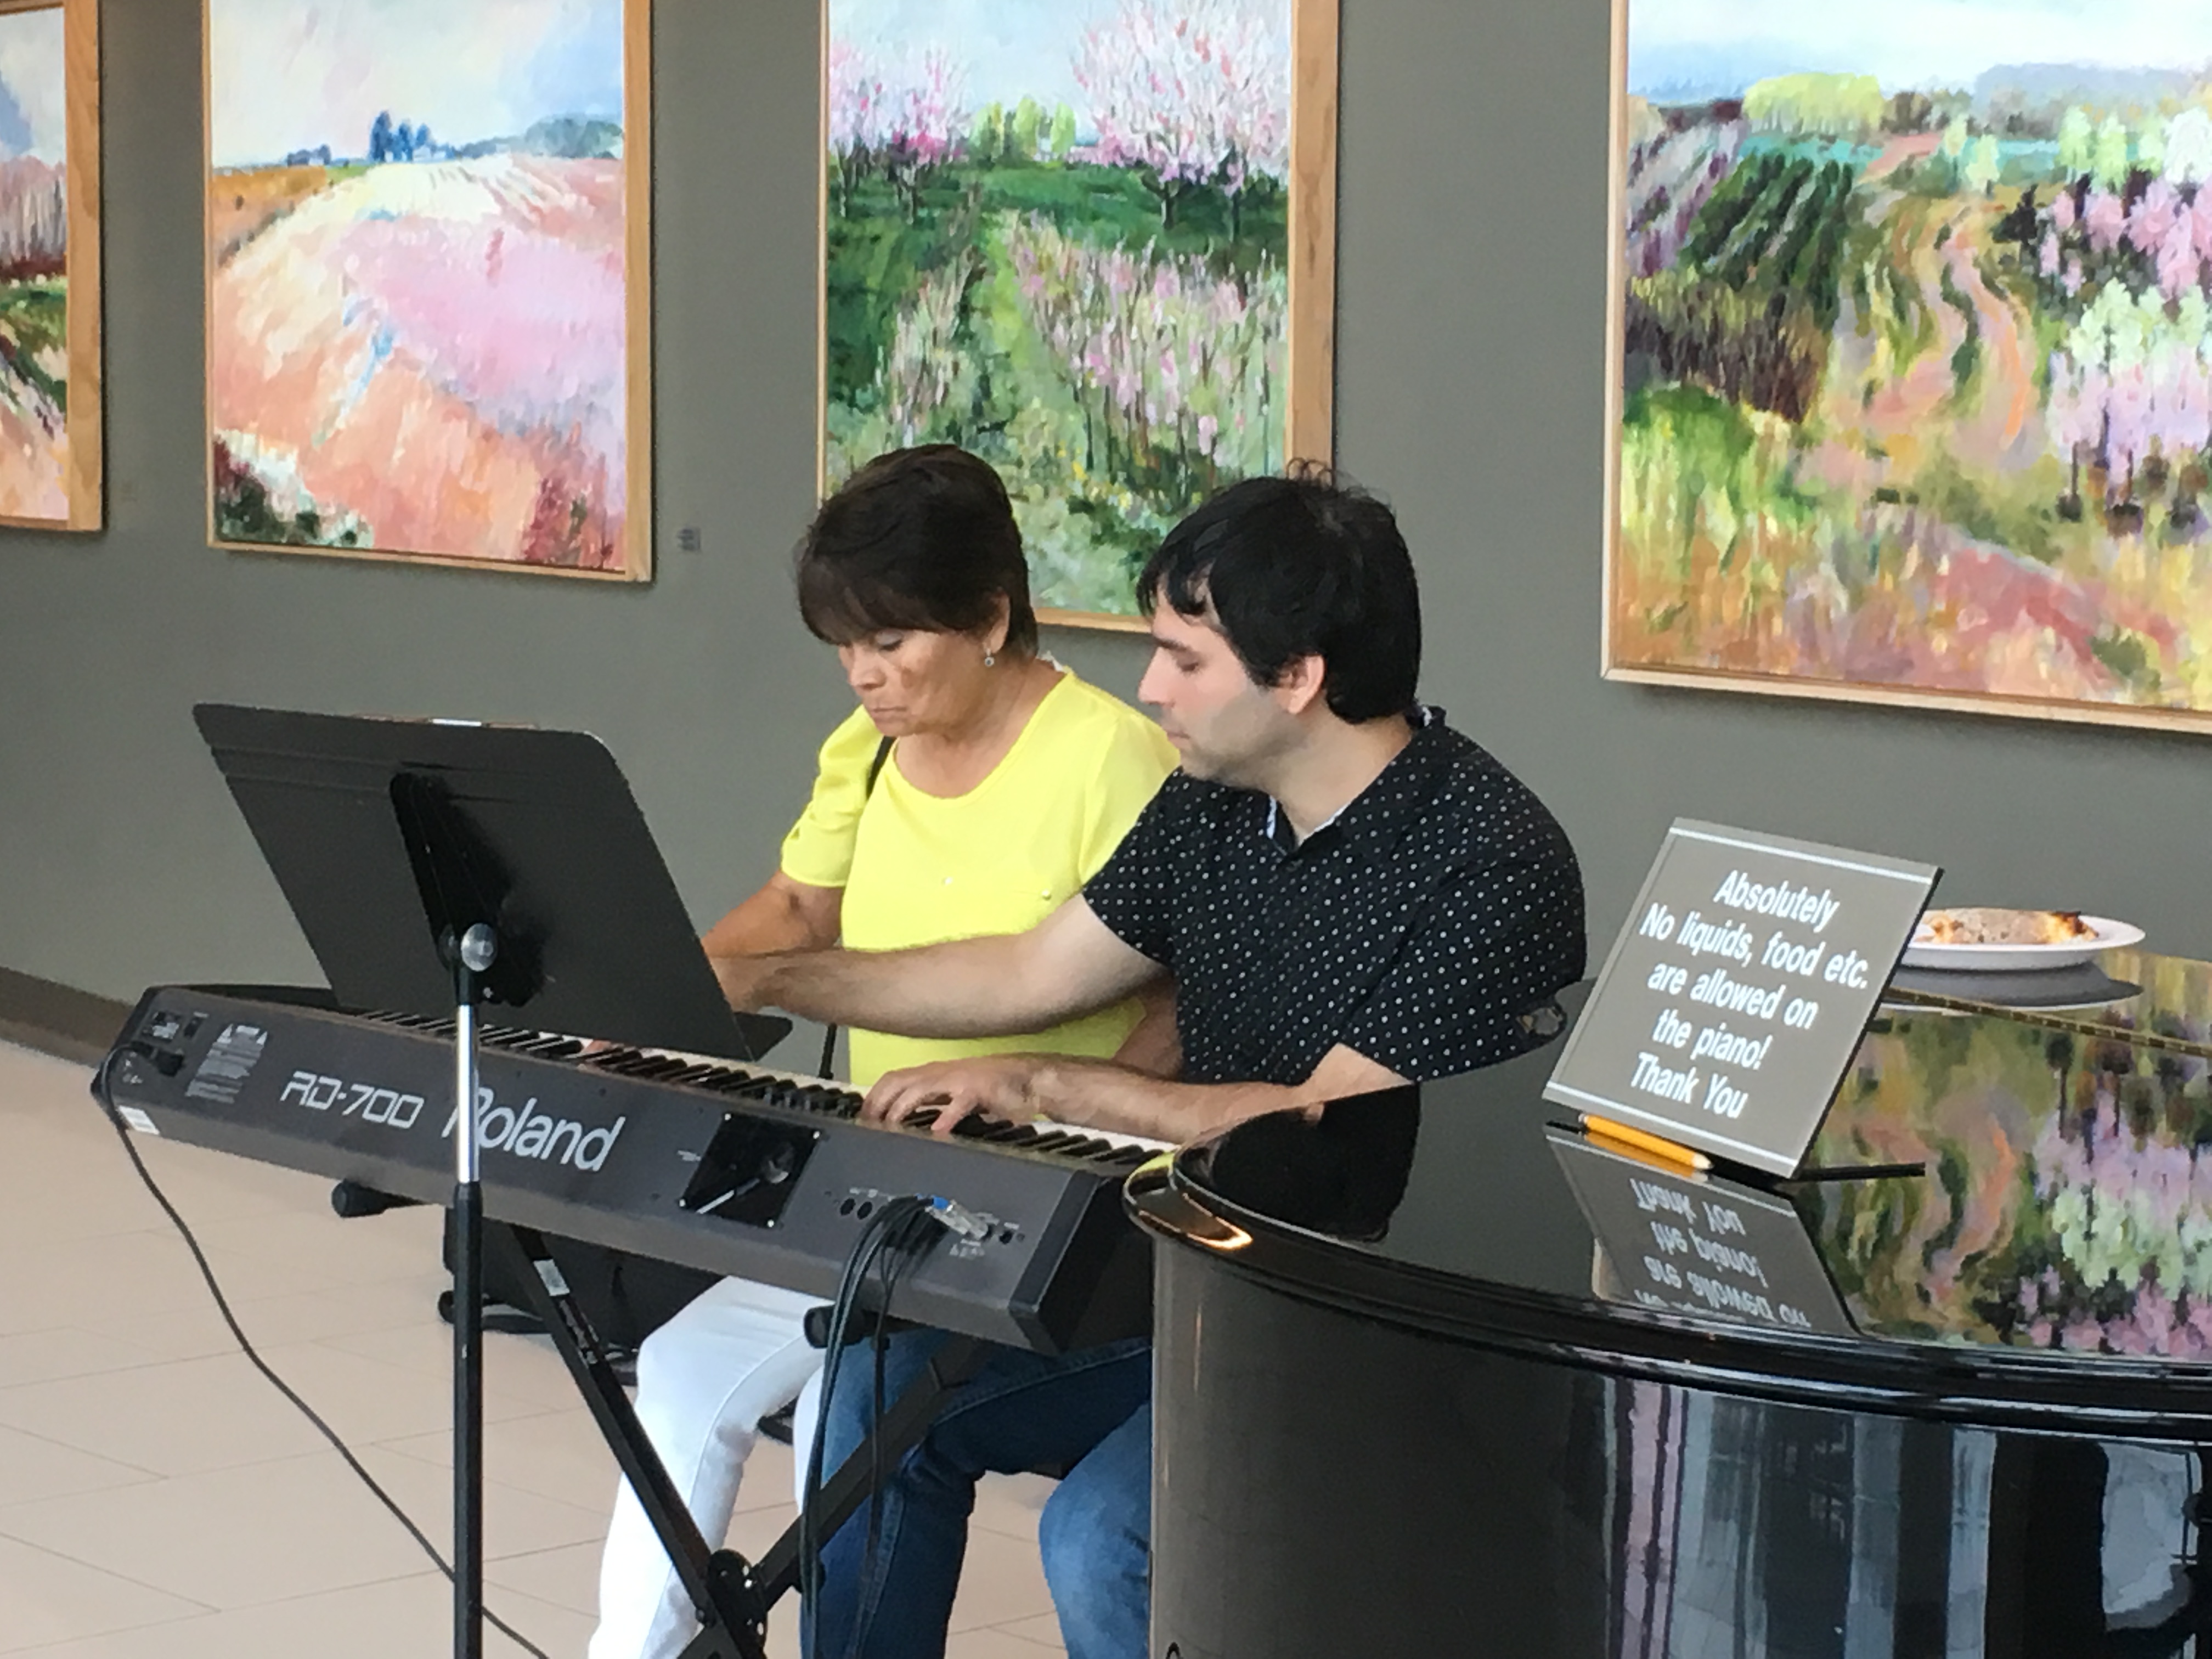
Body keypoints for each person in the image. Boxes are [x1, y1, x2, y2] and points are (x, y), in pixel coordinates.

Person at [718, 466, 1588, 1659]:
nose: (1150, 688)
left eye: (1185, 658)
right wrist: (766, 978)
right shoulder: (1214, 800)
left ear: (1298, 680)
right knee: (870, 1409)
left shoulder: (1489, 858)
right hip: (1196, 1285)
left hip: (1377, 1338)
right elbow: (1032, 973)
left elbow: (1319, 1118)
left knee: (1102, 1536)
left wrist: (1049, 1084)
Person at [588, 445, 1177, 1659]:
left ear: (993, 618)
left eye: (895, 643)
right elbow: (799, 914)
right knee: (684, 1367)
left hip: (1038, 1189)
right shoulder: (864, 748)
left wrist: (1089, 1121)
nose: (867, 675)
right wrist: (645, 992)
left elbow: (1176, 991)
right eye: (846, 647)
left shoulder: (1114, 758)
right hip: (874, 1176)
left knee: (847, 1421)